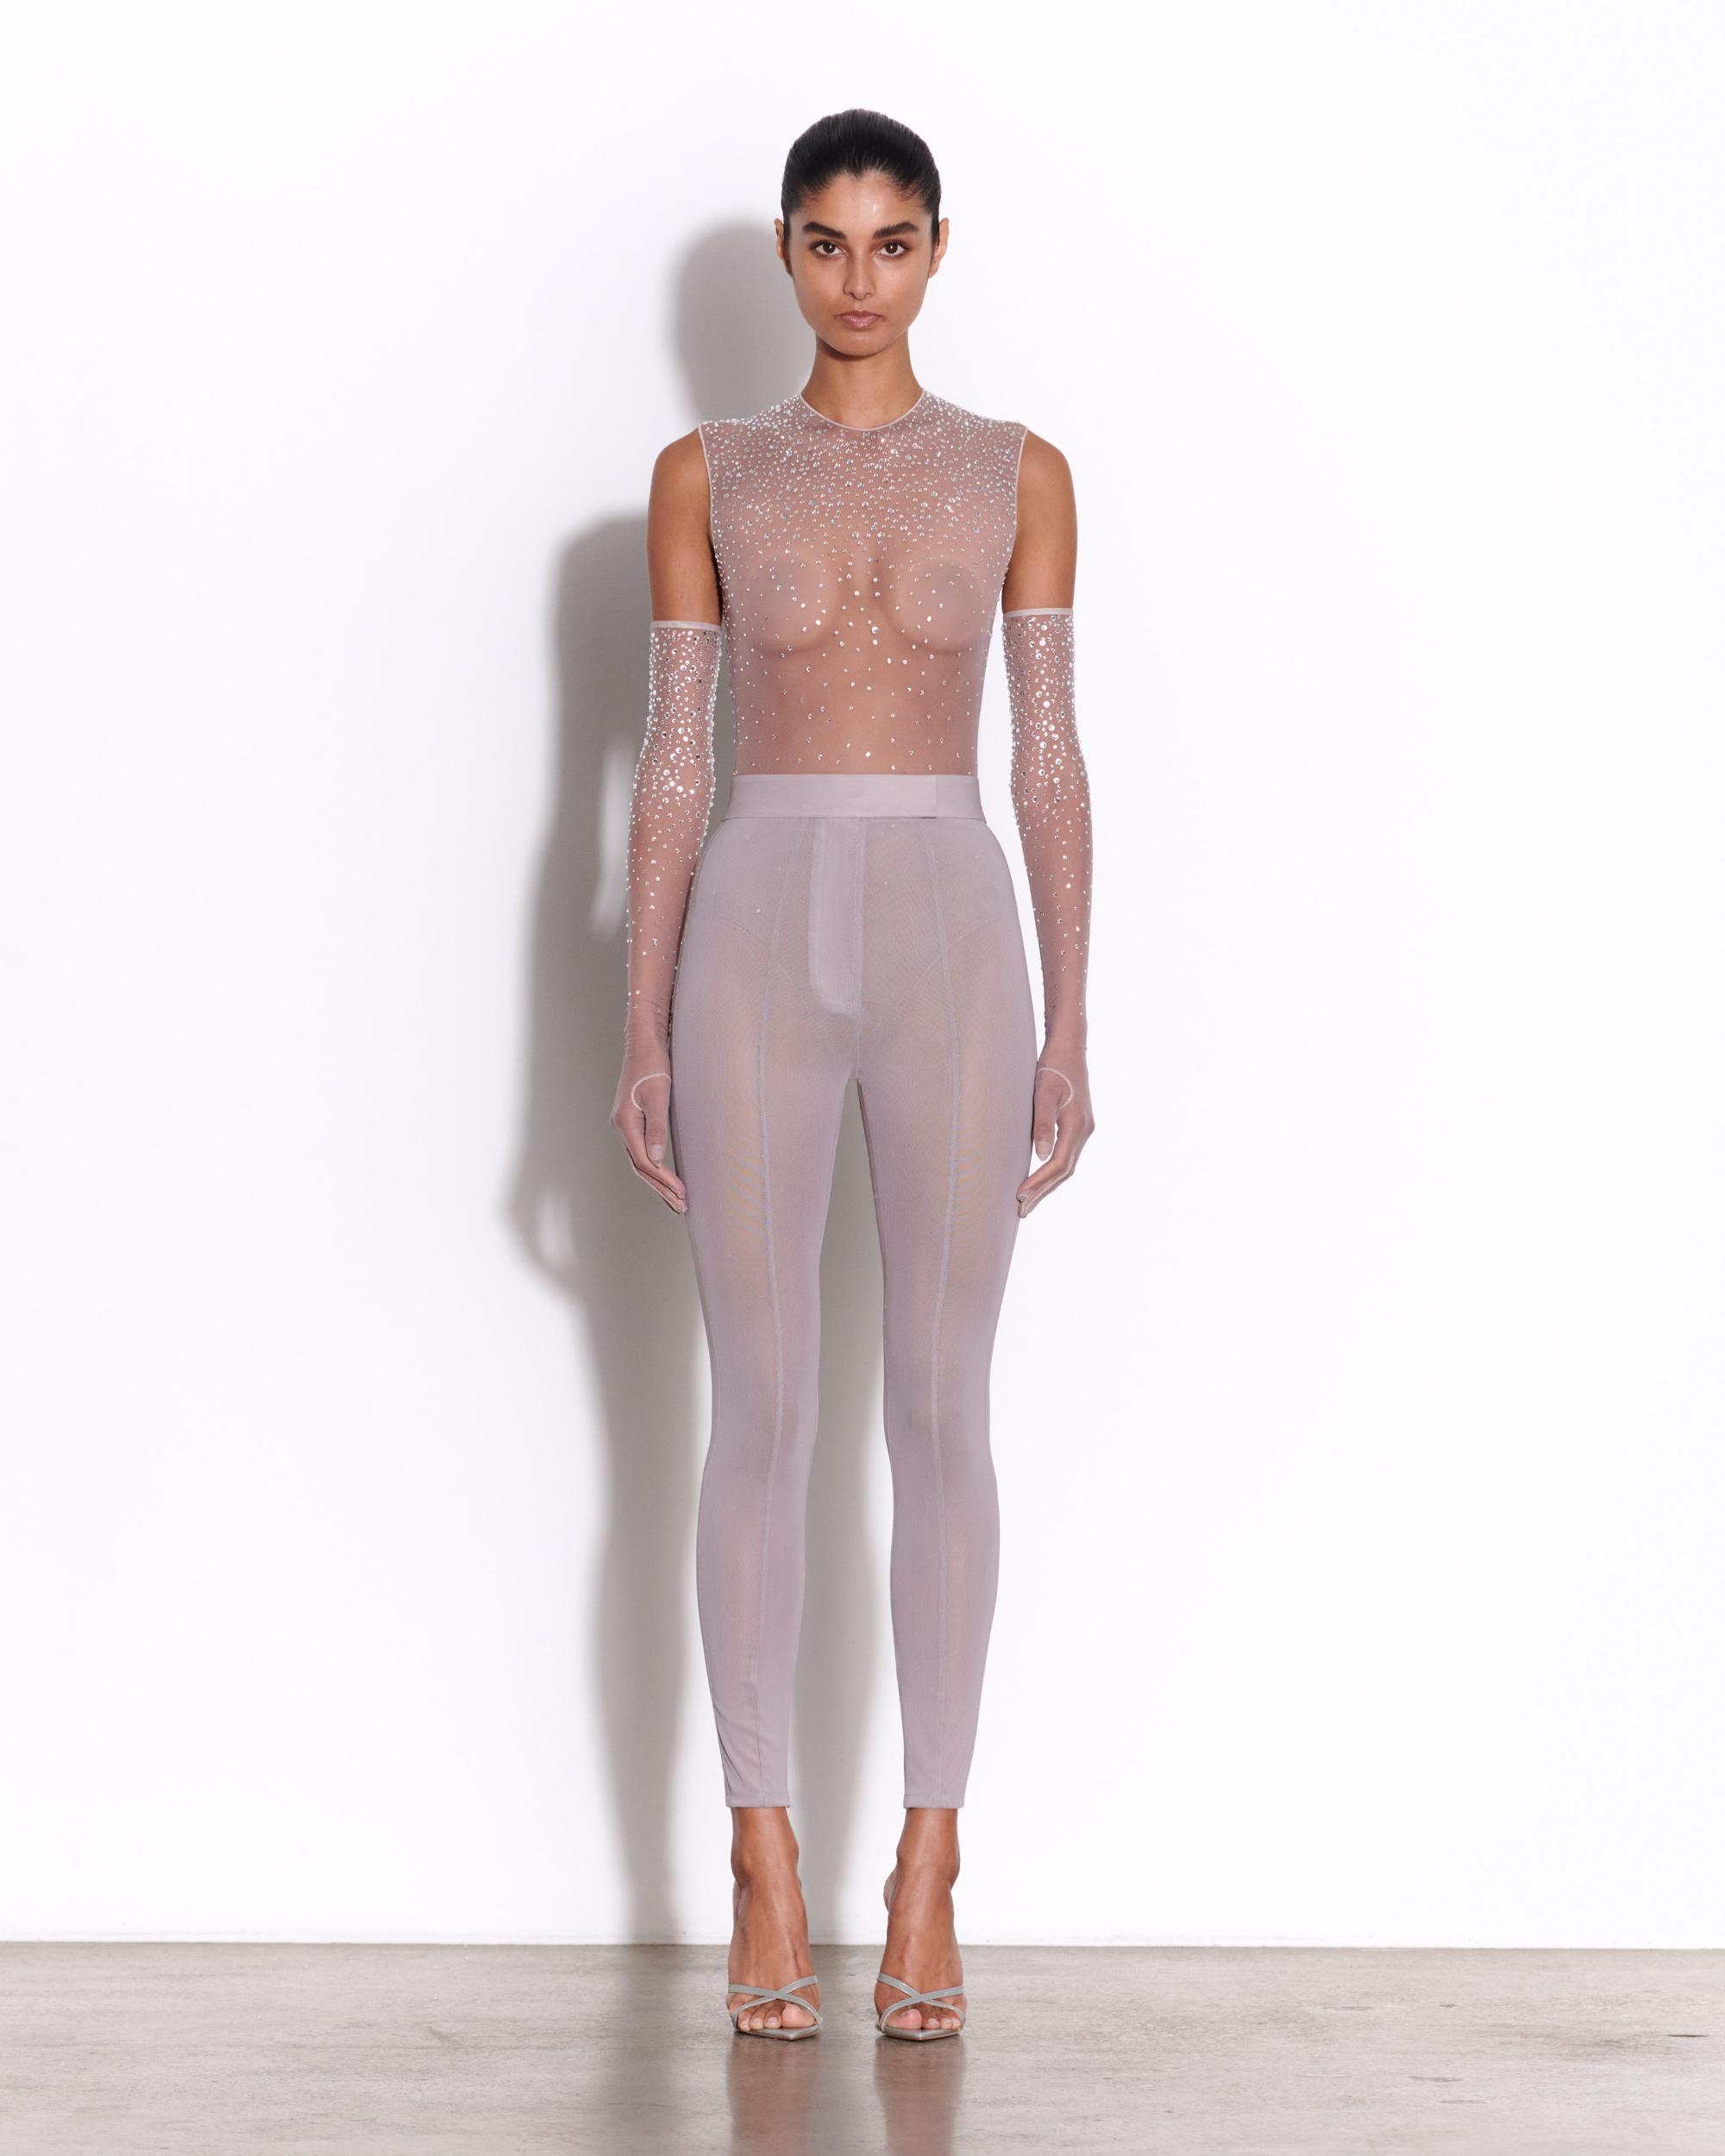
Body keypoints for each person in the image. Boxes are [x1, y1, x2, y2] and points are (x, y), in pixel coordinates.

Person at [612, 108, 1095, 2041]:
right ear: (785, 254)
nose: (860, 278)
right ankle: (759, 1849)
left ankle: (930, 1854)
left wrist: (1075, 1015)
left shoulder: (1021, 470)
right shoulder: (704, 473)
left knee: (943, 1402)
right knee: (761, 1402)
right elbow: (671, 760)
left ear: (939, 250)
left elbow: (1046, 753)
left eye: (893, 243)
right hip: (752, 935)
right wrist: (639, 1017)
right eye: (827, 242)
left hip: (955, 943)